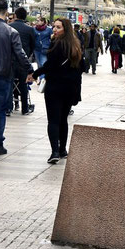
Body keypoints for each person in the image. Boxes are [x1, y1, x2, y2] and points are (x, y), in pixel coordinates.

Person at [0, 0, 33, 159]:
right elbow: (20, 54)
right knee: (0, 112)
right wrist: (30, 70)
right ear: (7, 11)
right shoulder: (11, 32)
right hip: (3, 77)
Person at [30, 17, 85, 164]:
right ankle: (63, 150)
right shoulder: (76, 45)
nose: (54, 29)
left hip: (55, 87)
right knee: (63, 120)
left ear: (65, 29)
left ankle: (55, 151)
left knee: (53, 120)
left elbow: (50, 65)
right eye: (54, 27)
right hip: (70, 88)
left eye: (58, 27)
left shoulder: (57, 44)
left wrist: (35, 74)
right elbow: (82, 67)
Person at [10, 7, 36, 115]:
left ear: (15, 15)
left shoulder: (8, 27)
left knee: (9, 84)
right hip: (23, 61)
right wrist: (28, 56)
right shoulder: (29, 29)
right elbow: (33, 45)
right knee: (23, 84)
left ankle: (8, 108)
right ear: (25, 16)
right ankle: (24, 108)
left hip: (10, 61)